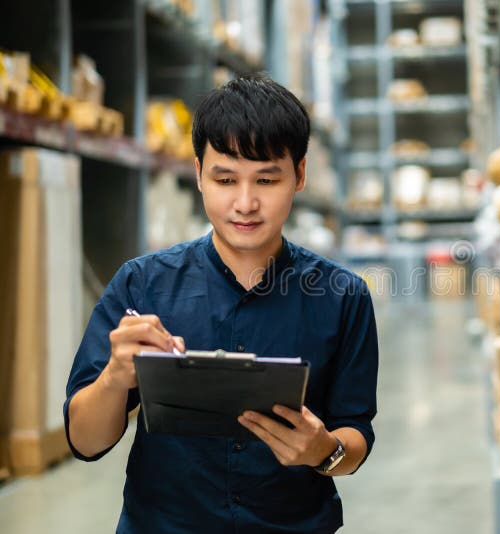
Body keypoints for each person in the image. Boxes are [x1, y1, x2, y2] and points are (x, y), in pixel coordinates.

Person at [64, 74, 379, 533]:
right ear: (197, 174)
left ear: (300, 175)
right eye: (225, 179)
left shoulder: (343, 296)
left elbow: (355, 433)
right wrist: (115, 376)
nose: (245, 203)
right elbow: (85, 441)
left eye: (267, 179)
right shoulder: (142, 285)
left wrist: (323, 452)